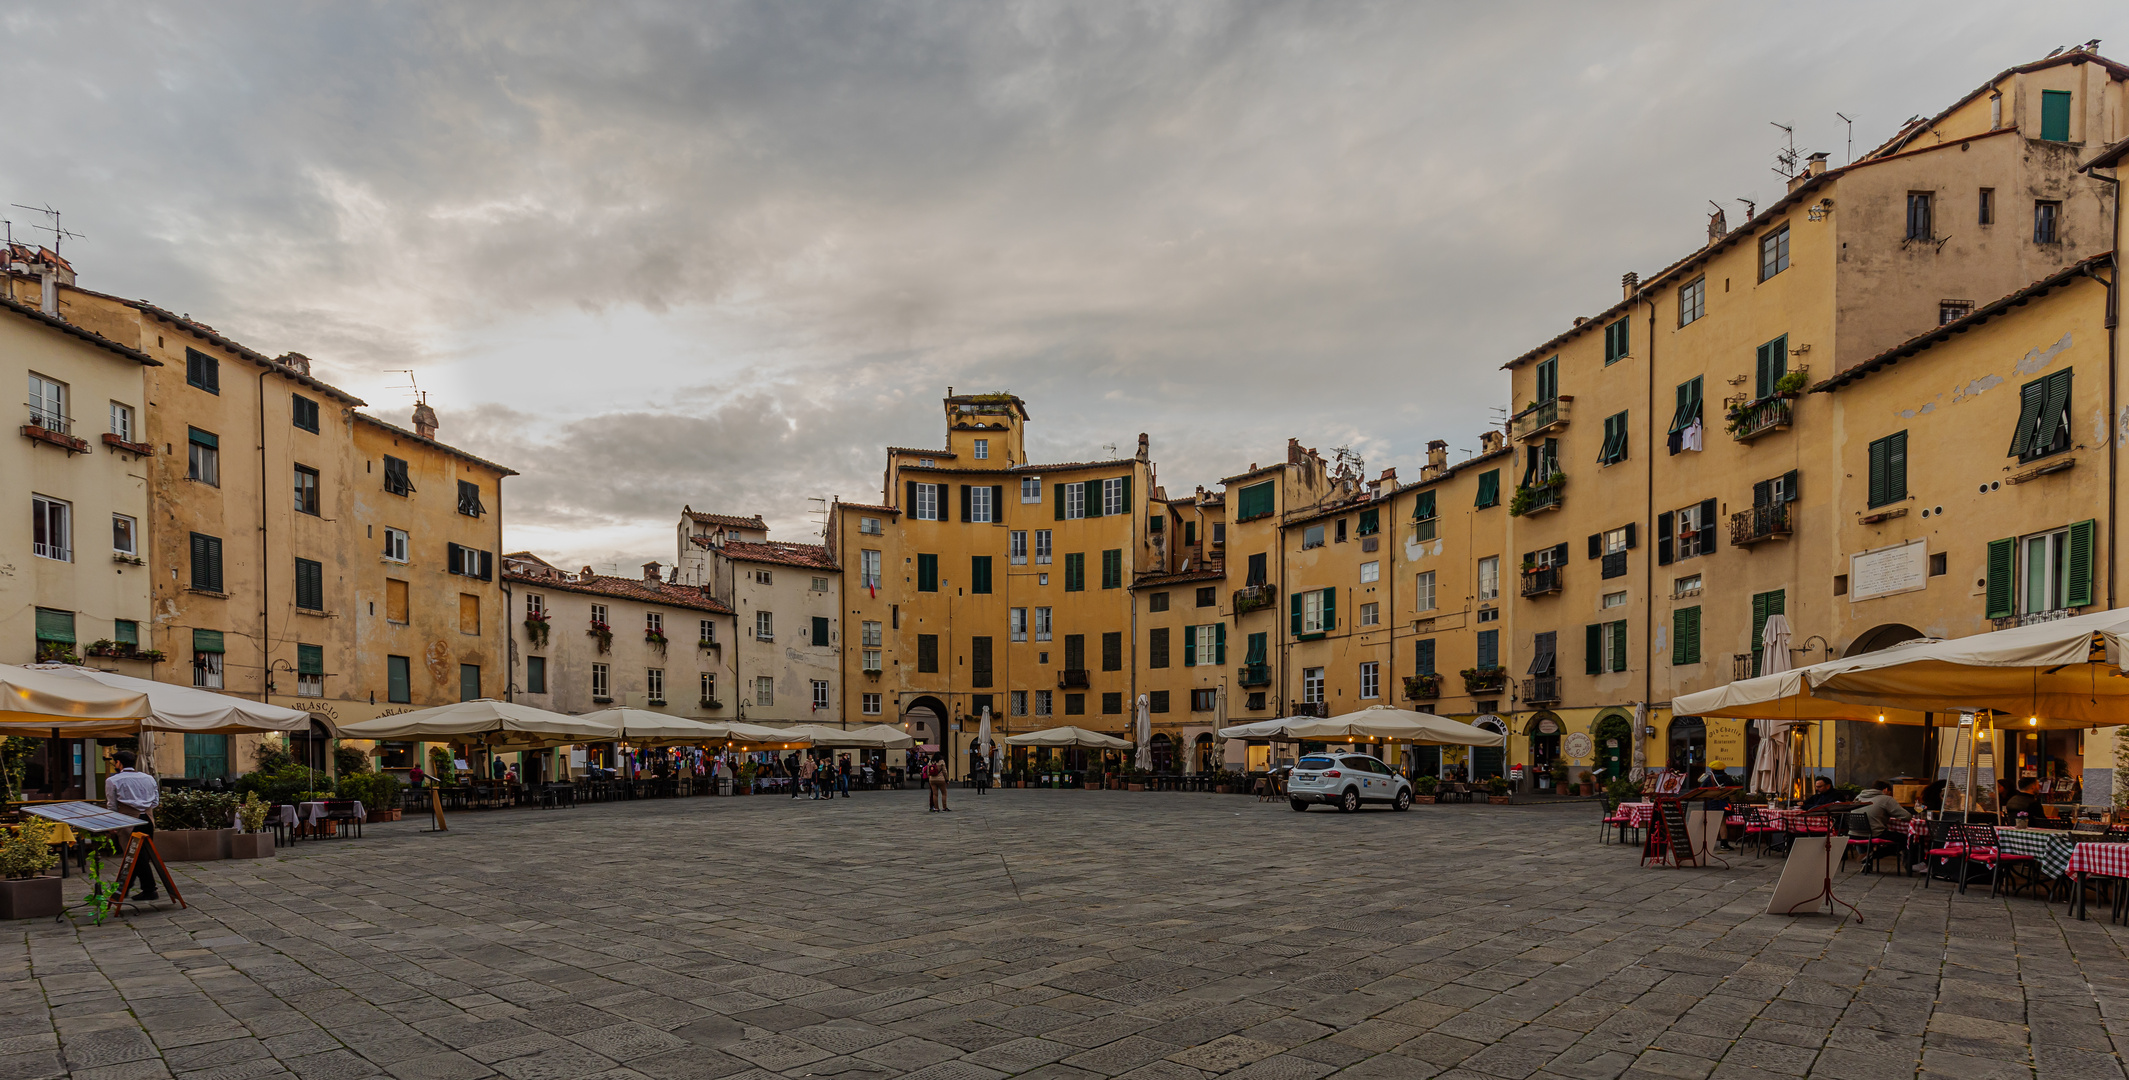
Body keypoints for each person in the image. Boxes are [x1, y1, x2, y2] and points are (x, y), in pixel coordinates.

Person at [104, 750, 162, 901]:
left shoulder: (113, 780)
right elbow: (155, 802)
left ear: (119, 763)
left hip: (128, 820)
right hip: (148, 819)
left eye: (115, 762)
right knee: (139, 855)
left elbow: (112, 806)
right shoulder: (148, 778)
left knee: (134, 856)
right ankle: (127, 889)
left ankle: (144, 889)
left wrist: (113, 826)